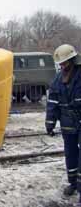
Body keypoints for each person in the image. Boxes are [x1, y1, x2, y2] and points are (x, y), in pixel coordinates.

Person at [45, 44, 81, 201]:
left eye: (65, 63)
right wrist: (50, 123)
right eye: (61, 64)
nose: (62, 66)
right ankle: (73, 183)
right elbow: (52, 102)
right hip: (67, 124)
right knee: (70, 155)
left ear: (72, 60)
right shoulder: (57, 80)